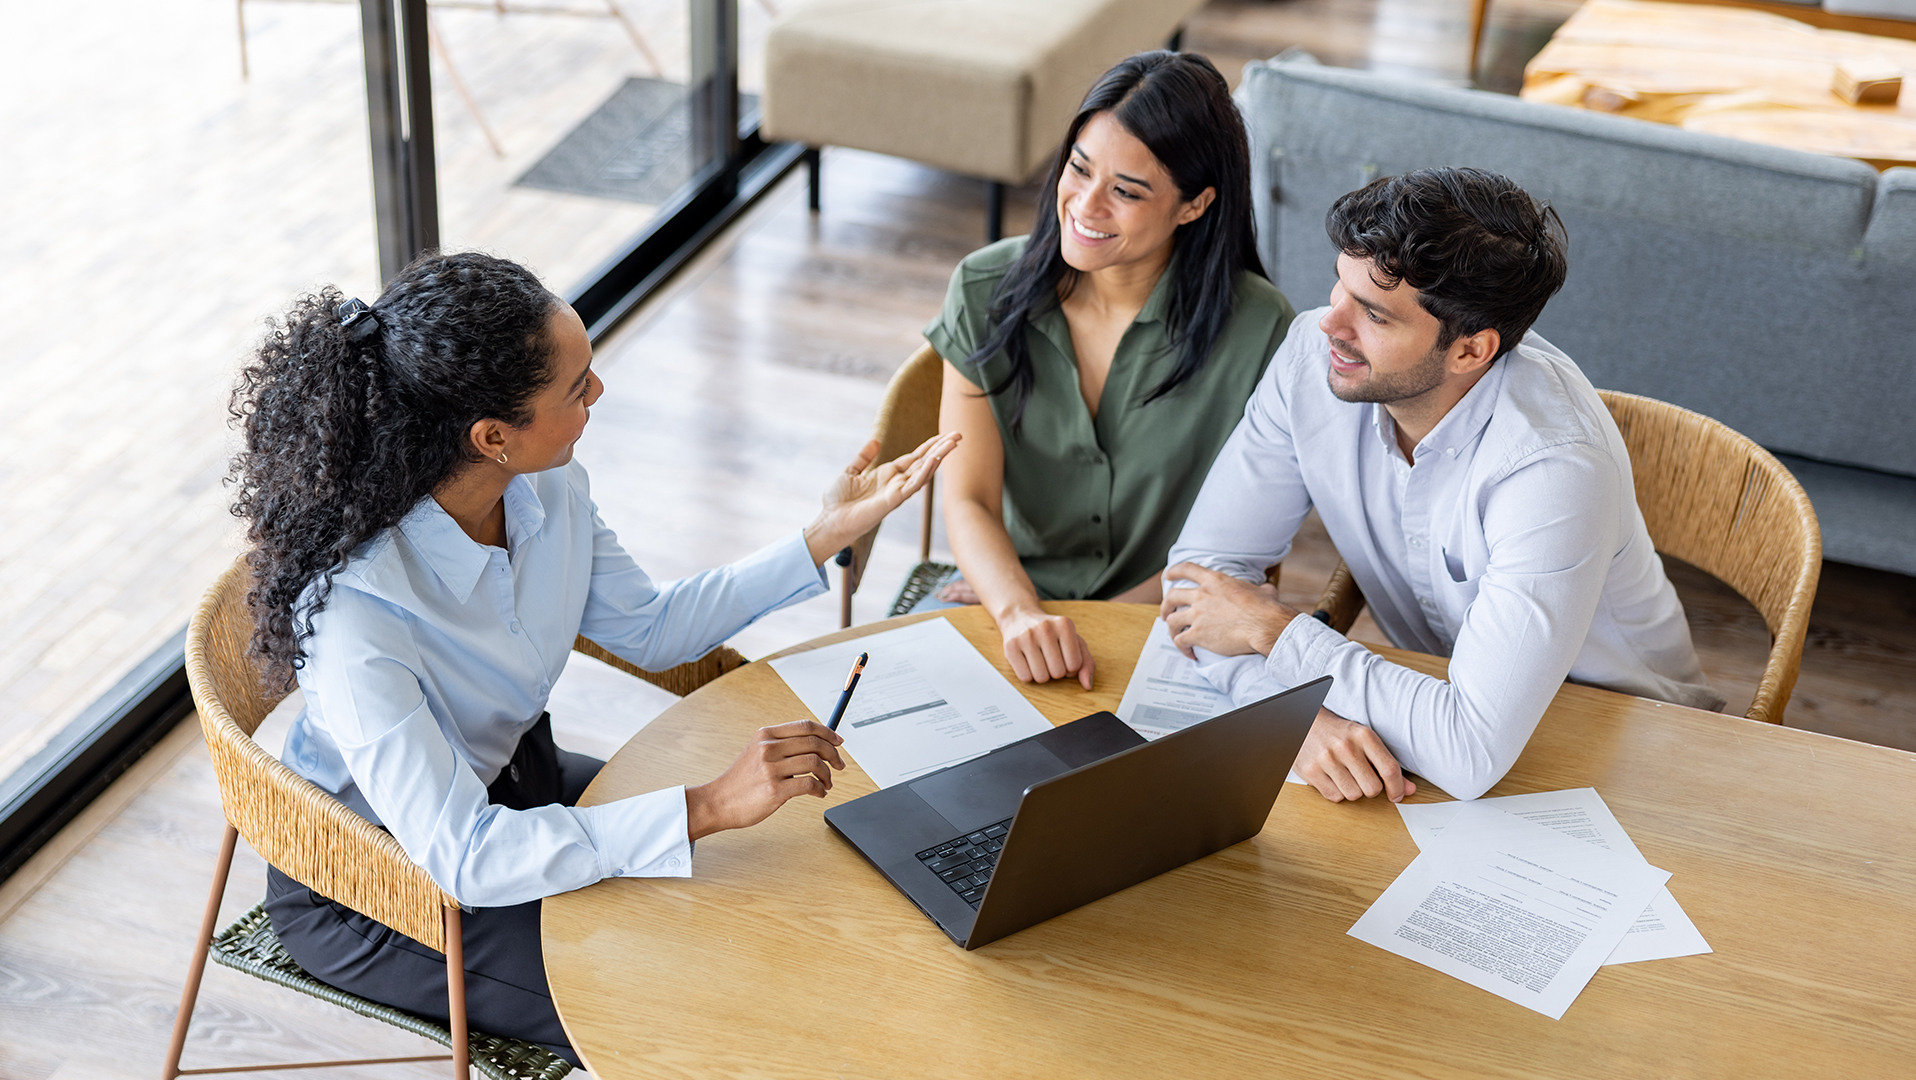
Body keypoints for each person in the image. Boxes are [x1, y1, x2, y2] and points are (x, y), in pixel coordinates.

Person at [226, 252, 958, 1063]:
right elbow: (465, 856)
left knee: (770, 896)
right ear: (493, 436)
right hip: (385, 880)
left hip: (514, 786)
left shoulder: (545, 487)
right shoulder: (362, 615)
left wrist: (826, 533)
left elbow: (650, 629)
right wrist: (709, 804)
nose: (598, 394)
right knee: (671, 1002)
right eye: (577, 388)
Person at [1160, 167, 1723, 804]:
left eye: (1372, 313)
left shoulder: (1552, 468)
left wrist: (1275, 633)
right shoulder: (1309, 361)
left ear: (1470, 351)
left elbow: (1468, 752)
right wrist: (1296, 719)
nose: (1330, 325)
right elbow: (1197, 586)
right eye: (1341, 287)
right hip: (1423, 723)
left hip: (1624, 752)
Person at [921, 50, 1296, 691]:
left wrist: (1090, 630)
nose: (1086, 206)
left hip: (1172, 626)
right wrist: (1018, 612)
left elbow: (1234, 554)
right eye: (1079, 168)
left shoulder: (1261, 330)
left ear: (1194, 205)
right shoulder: (984, 288)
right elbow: (969, 499)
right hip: (1007, 602)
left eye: (1125, 191)